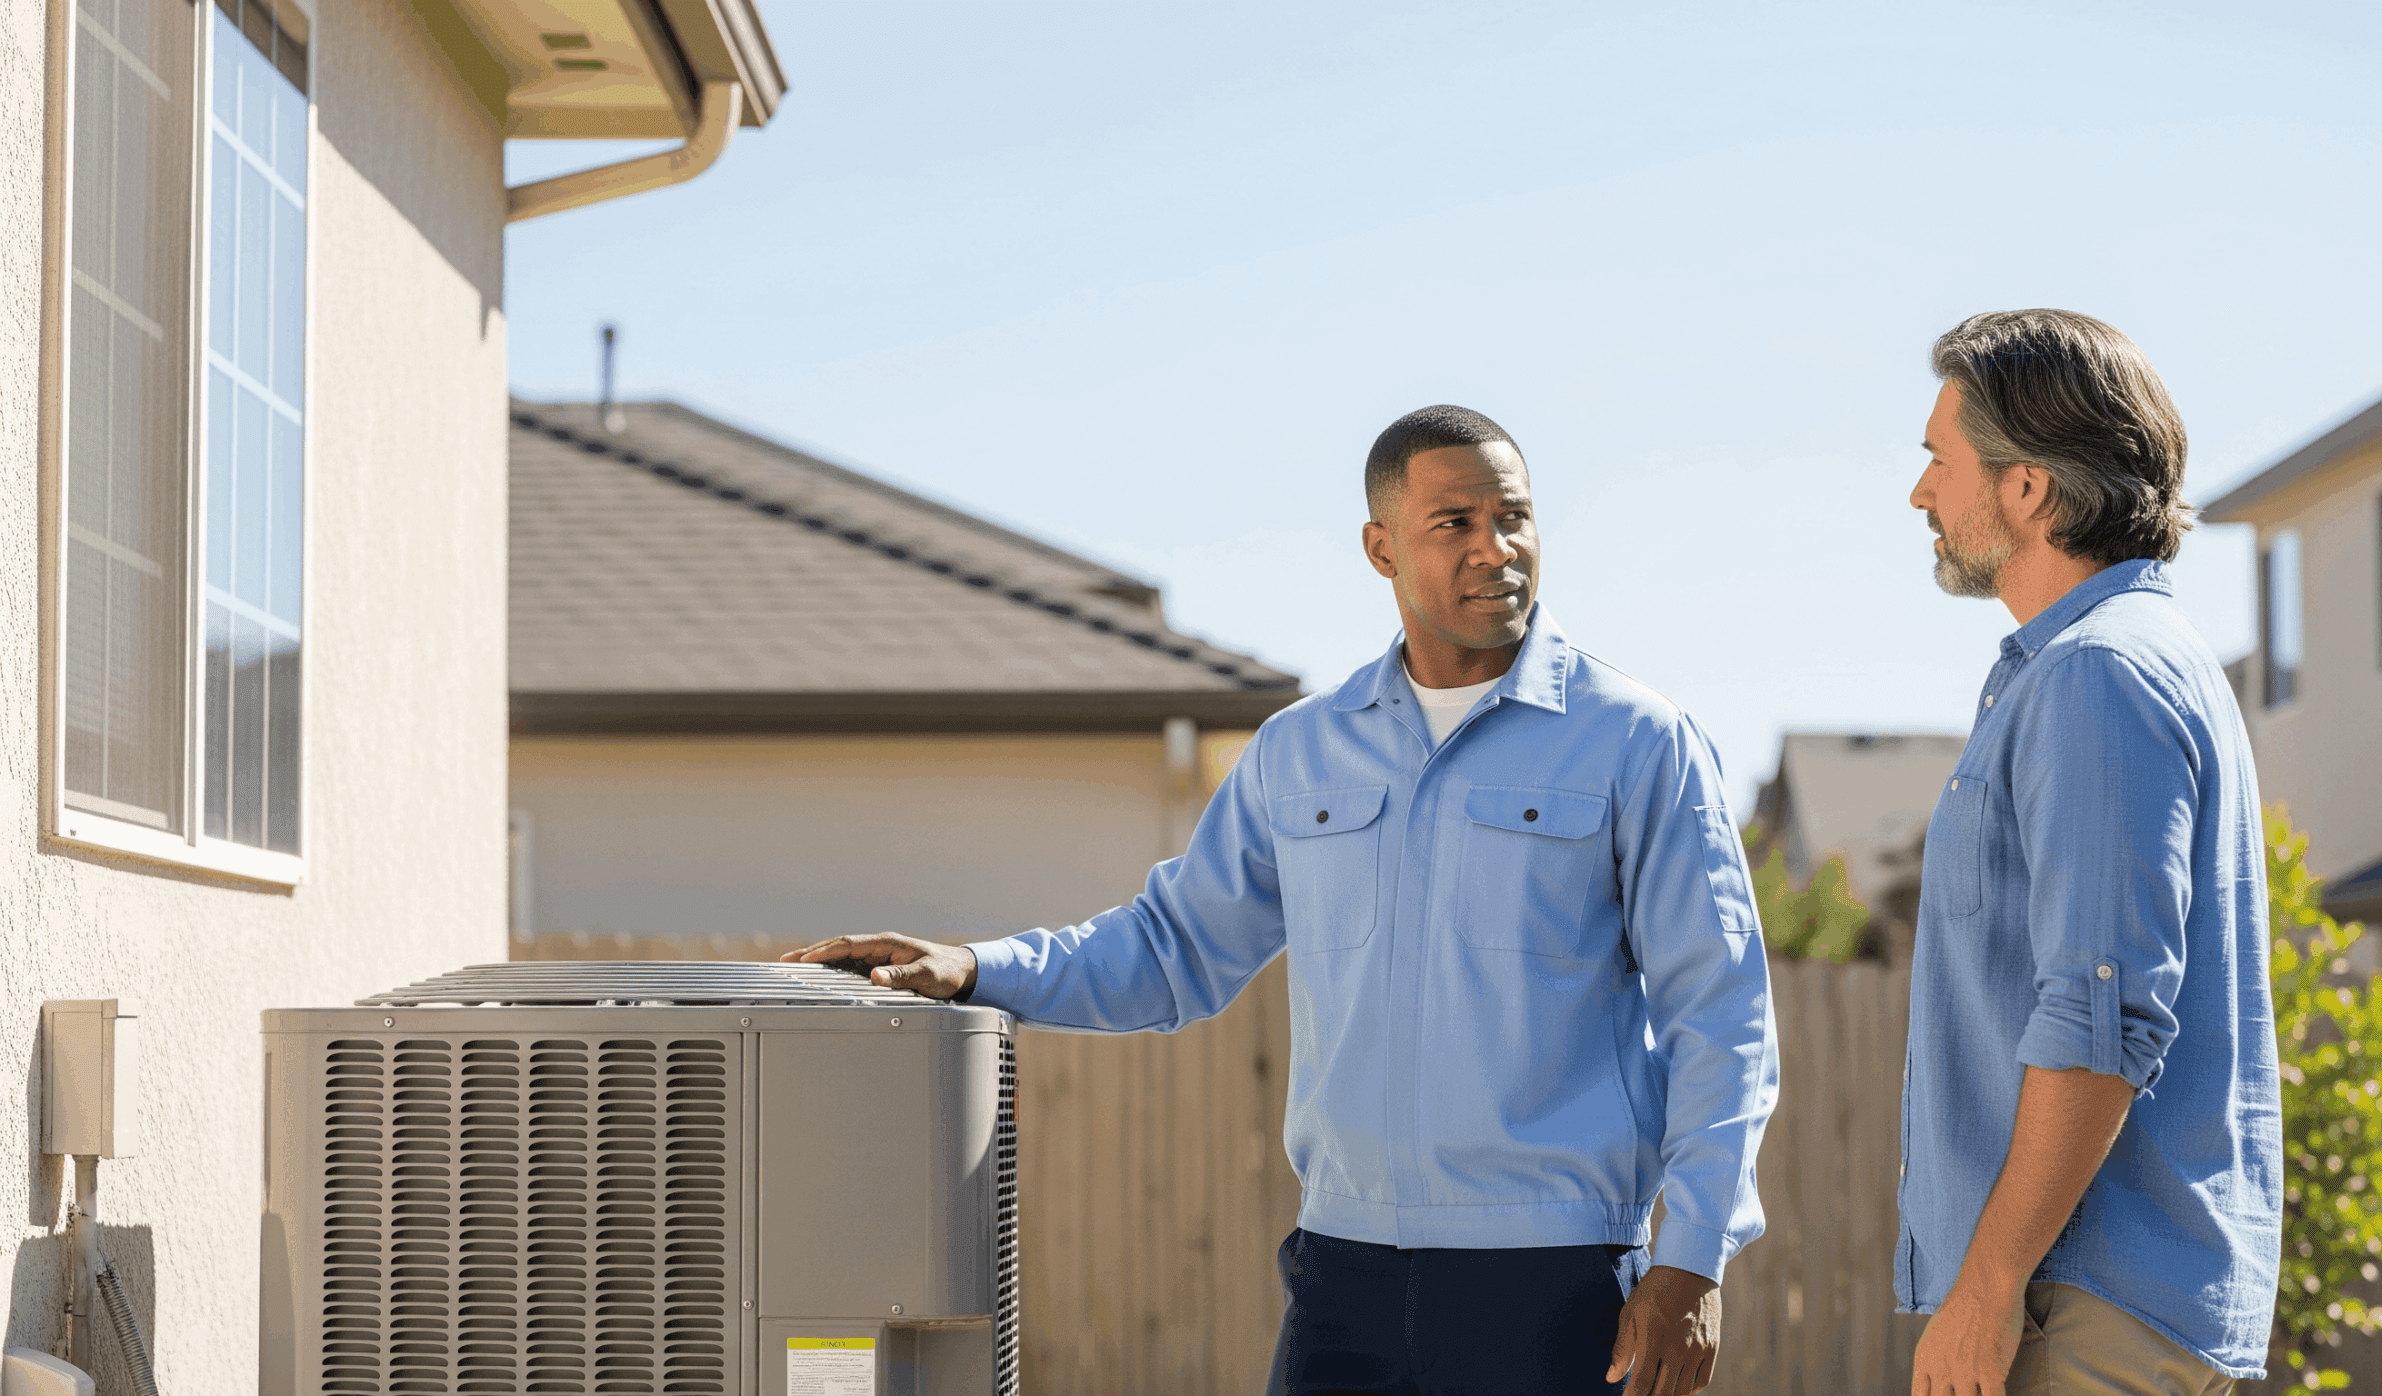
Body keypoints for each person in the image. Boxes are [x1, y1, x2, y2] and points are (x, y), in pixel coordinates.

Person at [785, 405, 1777, 1396]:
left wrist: (1691, 1258)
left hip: (1550, 1279)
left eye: (1513, 517)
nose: (1496, 548)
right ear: (1379, 548)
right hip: (1342, 1276)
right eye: (1455, 524)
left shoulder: (1637, 742)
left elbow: (1719, 1011)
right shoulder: (1300, 751)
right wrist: (975, 968)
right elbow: (1172, 949)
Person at [1899, 310, 2281, 1396]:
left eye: (1939, 459)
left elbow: (2099, 1019)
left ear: (2025, 488)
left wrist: (1985, 1289)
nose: (1919, 494)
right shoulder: (2120, 663)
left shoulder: (2097, 675)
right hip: (2096, 1301)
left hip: (2083, 1306)